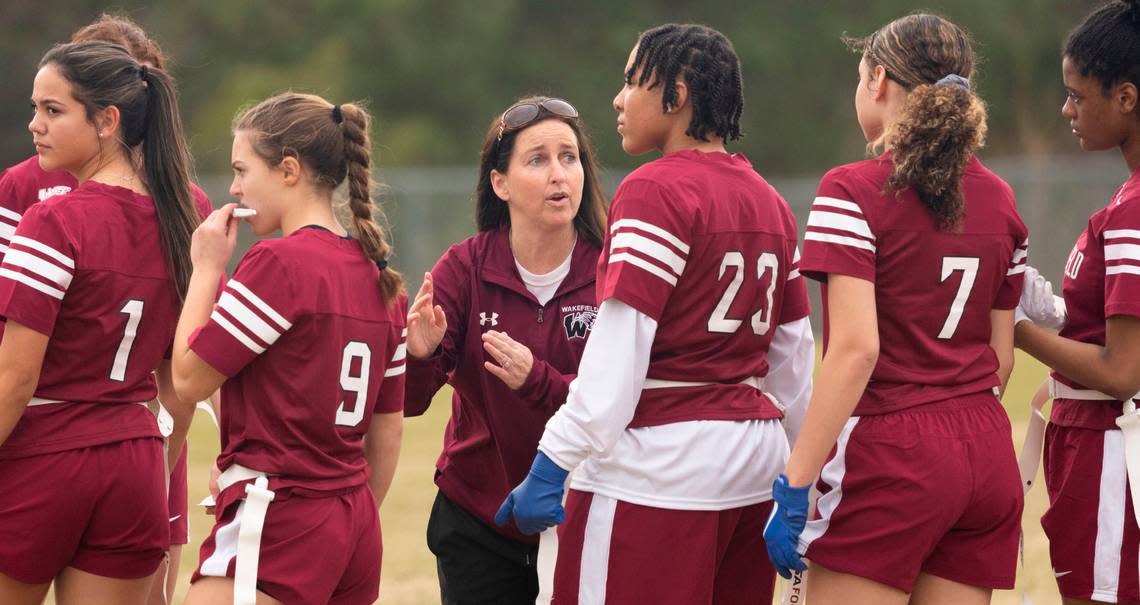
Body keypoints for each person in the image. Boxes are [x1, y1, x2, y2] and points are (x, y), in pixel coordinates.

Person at [495, 23, 814, 604]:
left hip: (657, 469)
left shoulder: (654, 190)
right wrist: (803, 475)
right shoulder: (771, 201)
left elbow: (619, 353)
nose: (618, 100)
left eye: (631, 81)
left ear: (678, 91)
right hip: (754, 467)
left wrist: (553, 459)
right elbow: (793, 361)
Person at [763, 13, 1029, 605]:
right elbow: (1001, 359)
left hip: (893, 455)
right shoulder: (1002, 198)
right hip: (985, 452)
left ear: (878, 80)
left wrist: (796, 480)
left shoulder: (850, 189)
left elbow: (856, 351)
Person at [0, 17, 212, 603]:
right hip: (137, 462)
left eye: (53, 110)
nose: (34, 125)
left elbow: (14, 380)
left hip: (44, 455)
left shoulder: (55, 219)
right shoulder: (181, 217)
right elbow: (180, 374)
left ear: (107, 121)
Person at [172, 92, 405, 605]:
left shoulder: (279, 264)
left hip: (279, 514)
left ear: (289, 171)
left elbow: (188, 378)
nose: (234, 188)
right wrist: (345, 518)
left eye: (241, 169)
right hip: (354, 522)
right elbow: (387, 429)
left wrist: (207, 267)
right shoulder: (383, 280)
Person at [403, 95, 607, 604]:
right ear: (500, 183)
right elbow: (409, 402)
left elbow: (622, 404)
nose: (560, 174)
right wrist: (420, 355)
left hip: (586, 514)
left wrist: (538, 381)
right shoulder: (464, 268)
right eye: (537, 159)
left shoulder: (613, 269)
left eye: (569, 156)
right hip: (479, 522)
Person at [1013, 1, 1140, 603]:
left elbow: (1123, 371)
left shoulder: (1133, 211)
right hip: (1096, 449)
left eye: (1076, 95)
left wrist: (1015, 329)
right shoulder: (1125, 197)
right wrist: (1052, 314)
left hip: (1113, 453)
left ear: (1126, 98)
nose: (1065, 109)